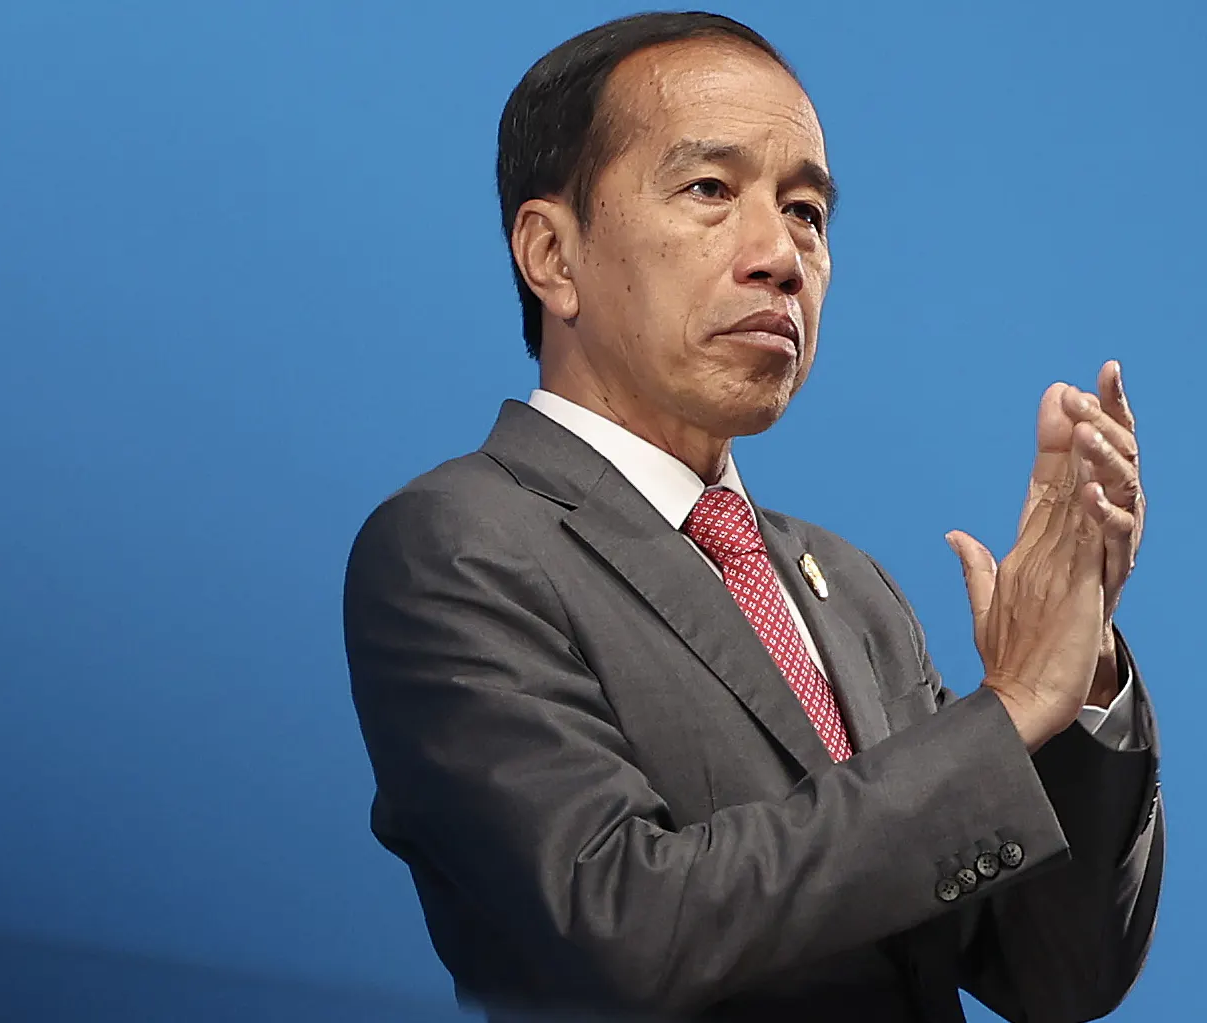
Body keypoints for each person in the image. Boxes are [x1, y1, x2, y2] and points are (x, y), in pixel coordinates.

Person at [343, 12, 1164, 1022]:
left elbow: (1056, 979)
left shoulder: (850, 589)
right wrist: (1007, 711)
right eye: (709, 189)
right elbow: (615, 930)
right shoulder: (456, 544)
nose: (780, 255)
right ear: (552, 254)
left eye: (806, 211)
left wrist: (1077, 672)